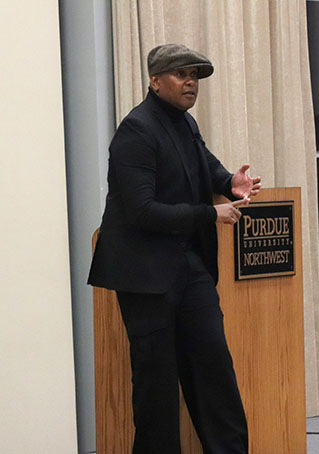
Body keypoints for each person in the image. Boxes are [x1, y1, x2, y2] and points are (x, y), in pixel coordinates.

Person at [88, 43, 261, 454]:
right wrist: (209, 214)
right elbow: (142, 211)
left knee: (214, 369)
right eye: (182, 74)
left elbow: (205, 165)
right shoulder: (136, 130)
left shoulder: (185, 124)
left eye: (195, 76)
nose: (191, 83)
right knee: (157, 384)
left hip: (189, 265)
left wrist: (228, 184)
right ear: (154, 79)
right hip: (146, 274)